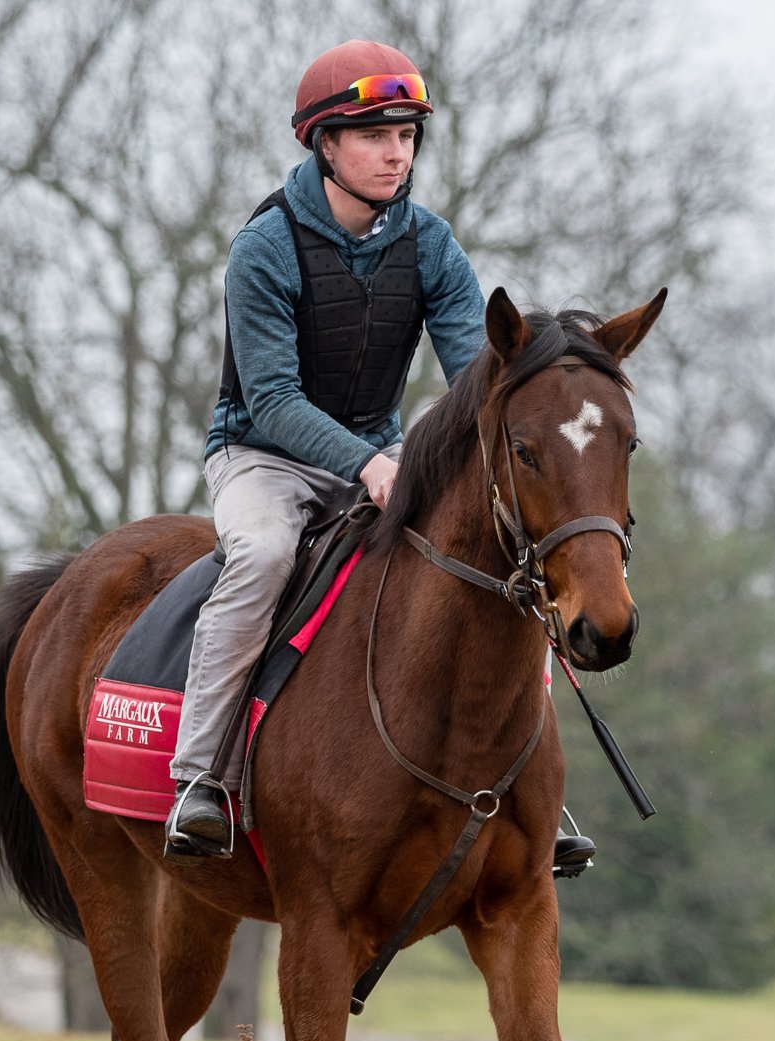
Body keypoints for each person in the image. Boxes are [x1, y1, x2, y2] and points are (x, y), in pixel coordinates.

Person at [166, 39, 596, 877]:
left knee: (500, 540)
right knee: (261, 556)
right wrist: (369, 461)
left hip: (377, 448)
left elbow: (481, 372)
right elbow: (274, 401)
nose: (395, 151)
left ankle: (535, 780)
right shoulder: (264, 247)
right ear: (325, 144)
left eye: (405, 134)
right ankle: (201, 780)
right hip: (261, 453)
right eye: (372, 134)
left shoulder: (431, 246)